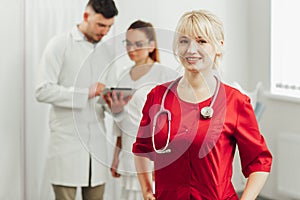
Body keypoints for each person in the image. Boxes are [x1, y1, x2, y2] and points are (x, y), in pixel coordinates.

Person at [132, 10, 272, 200]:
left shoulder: (235, 102)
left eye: (201, 41)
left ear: (219, 46)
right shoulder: (158, 97)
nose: (191, 50)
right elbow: (141, 149)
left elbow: (260, 161)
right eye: (184, 41)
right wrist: (147, 190)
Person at [35, 0, 118, 199]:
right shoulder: (59, 44)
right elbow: (42, 91)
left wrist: (112, 103)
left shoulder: (107, 53)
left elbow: (109, 97)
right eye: (100, 25)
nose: (105, 32)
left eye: (109, 27)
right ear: (86, 17)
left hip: (96, 148)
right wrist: (85, 93)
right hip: (66, 146)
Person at [106, 20, 179, 200]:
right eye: (128, 44)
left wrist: (164, 162)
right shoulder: (123, 76)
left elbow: (175, 122)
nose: (132, 49)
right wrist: (116, 157)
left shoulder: (164, 75)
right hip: (128, 154)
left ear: (151, 45)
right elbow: (120, 124)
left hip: (154, 155)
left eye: (138, 44)